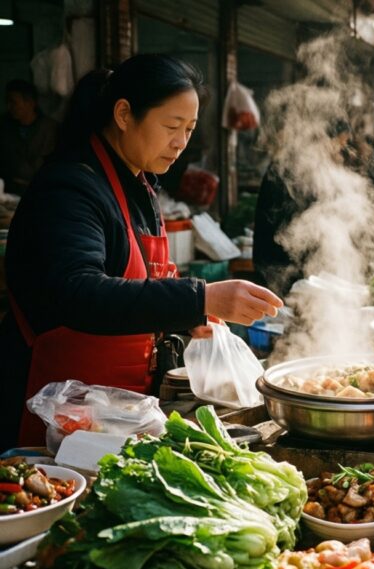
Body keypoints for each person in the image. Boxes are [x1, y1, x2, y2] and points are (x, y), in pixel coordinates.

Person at [0, 55, 283, 450]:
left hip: (116, 409)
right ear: (123, 114)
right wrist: (199, 297)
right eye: (171, 126)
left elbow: (134, 283)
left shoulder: (138, 183)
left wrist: (181, 318)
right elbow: (77, 291)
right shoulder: (69, 188)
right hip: (54, 412)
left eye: (189, 129)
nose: (181, 142)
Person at [254, 119, 354, 297]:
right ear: (324, 139)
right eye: (340, 143)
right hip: (280, 262)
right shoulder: (296, 166)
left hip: (289, 261)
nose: (341, 149)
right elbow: (301, 223)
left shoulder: (309, 163)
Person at [0, 80, 58, 196]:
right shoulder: (4, 126)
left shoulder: (49, 129)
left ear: (30, 103)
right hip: (8, 193)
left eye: (13, 102)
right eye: (7, 102)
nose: (9, 107)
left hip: (40, 193)